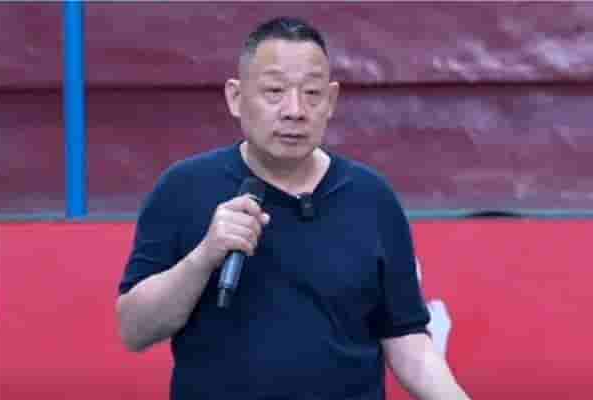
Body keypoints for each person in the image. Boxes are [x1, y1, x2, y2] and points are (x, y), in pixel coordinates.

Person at [117, 16, 471, 400]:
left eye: (312, 93)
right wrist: (203, 257)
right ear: (236, 97)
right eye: (274, 91)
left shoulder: (372, 198)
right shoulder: (183, 188)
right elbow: (136, 330)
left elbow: (407, 340)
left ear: (331, 101)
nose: (295, 110)